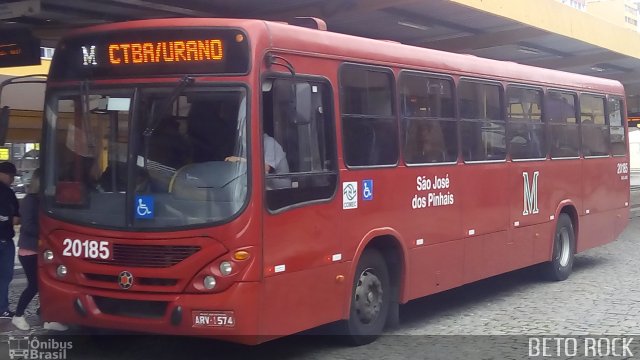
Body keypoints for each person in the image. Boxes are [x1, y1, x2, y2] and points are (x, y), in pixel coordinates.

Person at [11, 169, 68, 331]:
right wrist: (47, 233)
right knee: (34, 285)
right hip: (29, 250)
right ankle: (18, 315)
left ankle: (47, 316)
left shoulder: (42, 200)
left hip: (40, 249)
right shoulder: (30, 200)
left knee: (45, 284)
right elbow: (28, 226)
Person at [225, 133, 290, 189]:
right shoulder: (247, 145)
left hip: (280, 191)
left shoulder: (269, 142)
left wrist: (239, 160)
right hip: (262, 186)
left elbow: (265, 169)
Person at [0, 161, 19, 319]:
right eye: (11, 176)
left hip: (6, 239)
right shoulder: (8, 193)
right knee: (5, 276)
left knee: (5, 276)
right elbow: (16, 218)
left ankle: (3, 307)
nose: (12, 180)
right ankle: (2, 308)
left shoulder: (9, 192)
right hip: (5, 238)